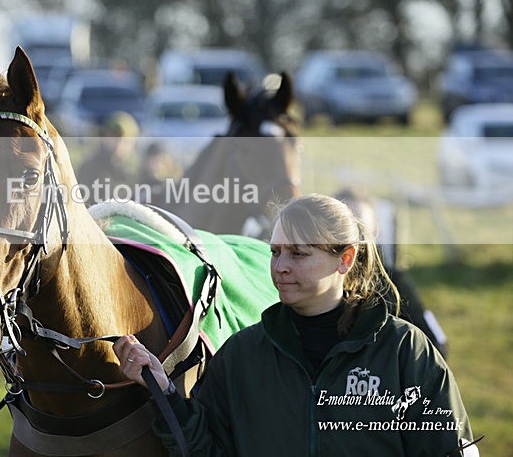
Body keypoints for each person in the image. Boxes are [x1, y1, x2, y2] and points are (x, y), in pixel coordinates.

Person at [114, 193, 477, 456]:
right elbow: (206, 450)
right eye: (275, 252)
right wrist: (164, 390)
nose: (280, 267)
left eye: (298, 254)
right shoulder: (241, 355)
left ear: (345, 260)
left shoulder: (404, 352)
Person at [334, 187, 449, 358]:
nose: (353, 236)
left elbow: (436, 345)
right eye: (343, 227)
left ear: (375, 230)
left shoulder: (394, 282)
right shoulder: (311, 280)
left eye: (360, 226)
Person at [76, 111, 140, 202]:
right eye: (114, 137)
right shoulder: (90, 169)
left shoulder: (133, 172)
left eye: (125, 140)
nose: (119, 144)